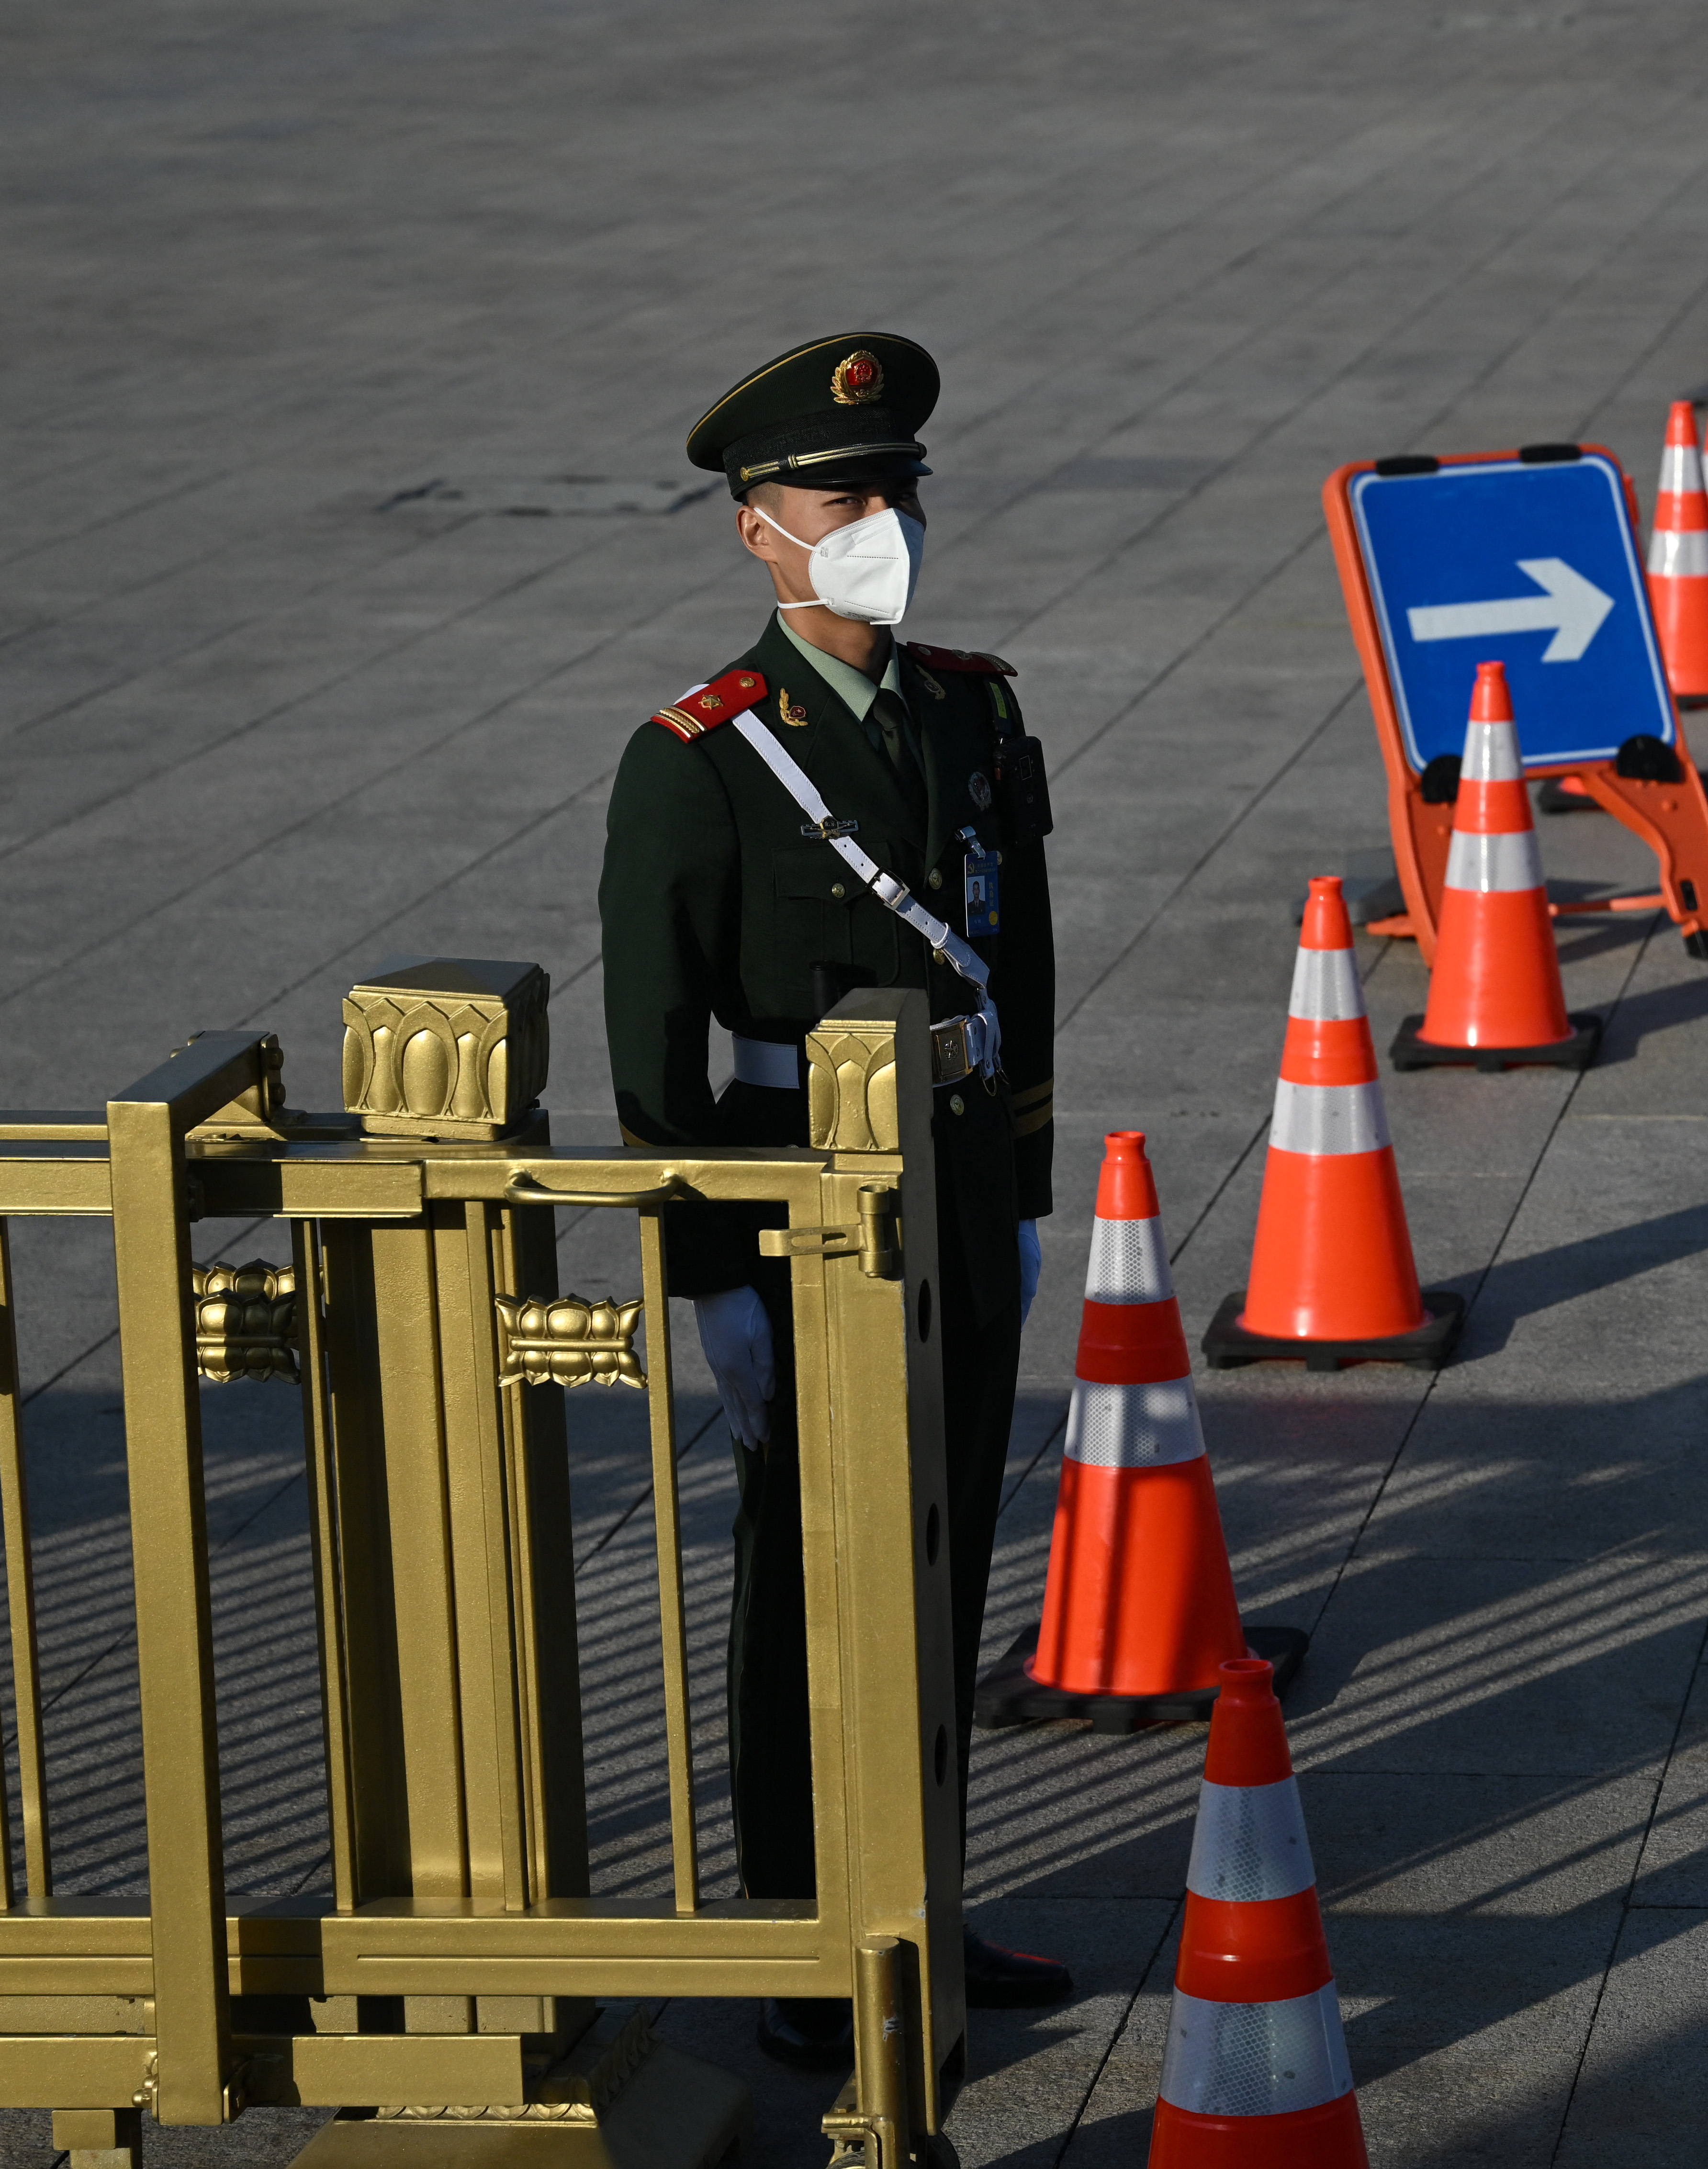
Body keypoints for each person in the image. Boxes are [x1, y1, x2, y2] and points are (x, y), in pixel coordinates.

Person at [598, 331, 1069, 2070]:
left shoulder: (974, 704)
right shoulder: (702, 756)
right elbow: (655, 1056)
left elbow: (1018, 959)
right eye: (836, 495)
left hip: (948, 1165)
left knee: (941, 1542)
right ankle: (806, 1919)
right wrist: (711, 1272)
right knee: (809, 1562)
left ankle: (922, 1895)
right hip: (794, 1185)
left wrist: (1016, 1177)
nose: (878, 519)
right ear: (753, 529)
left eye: (893, 490)